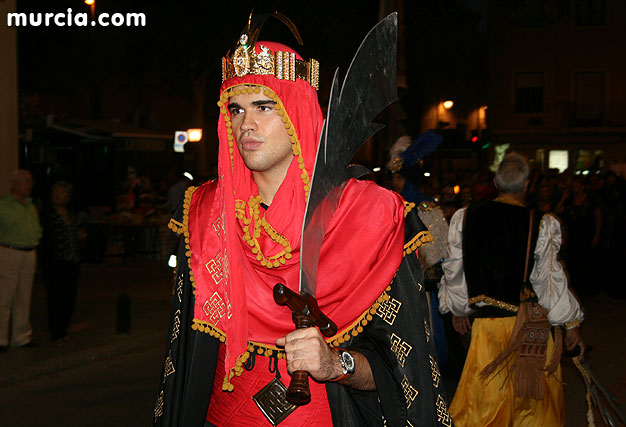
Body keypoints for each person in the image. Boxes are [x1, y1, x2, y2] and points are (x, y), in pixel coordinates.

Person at [154, 15, 451, 427]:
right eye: (235, 109)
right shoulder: (203, 214)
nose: (246, 125)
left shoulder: (368, 217)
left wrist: (337, 364)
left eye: (263, 106)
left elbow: (406, 370)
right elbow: (183, 360)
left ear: (297, 111)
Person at [438, 153, 585, 426]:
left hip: (486, 330)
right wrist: (569, 322)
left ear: (495, 181)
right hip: (528, 326)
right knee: (532, 406)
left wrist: (459, 308)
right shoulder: (541, 222)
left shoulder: (465, 217)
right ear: (527, 184)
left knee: (484, 406)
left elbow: (455, 268)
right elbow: (549, 280)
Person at [0, 170, 42, 351]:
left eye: (31, 181)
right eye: (26, 181)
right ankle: (1, 339)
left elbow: (36, 227)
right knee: (4, 297)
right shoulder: (3, 205)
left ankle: (21, 337)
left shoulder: (30, 205)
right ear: (15, 184)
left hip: (29, 252)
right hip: (9, 251)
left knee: (24, 297)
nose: (30, 184)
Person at [42, 181, 83, 345]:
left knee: (69, 295)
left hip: (72, 259)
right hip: (56, 261)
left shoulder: (70, 213)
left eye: (64, 194)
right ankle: (56, 332)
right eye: (57, 193)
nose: (60, 197)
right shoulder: (48, 214)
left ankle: (64, 328)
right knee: (55, 296)